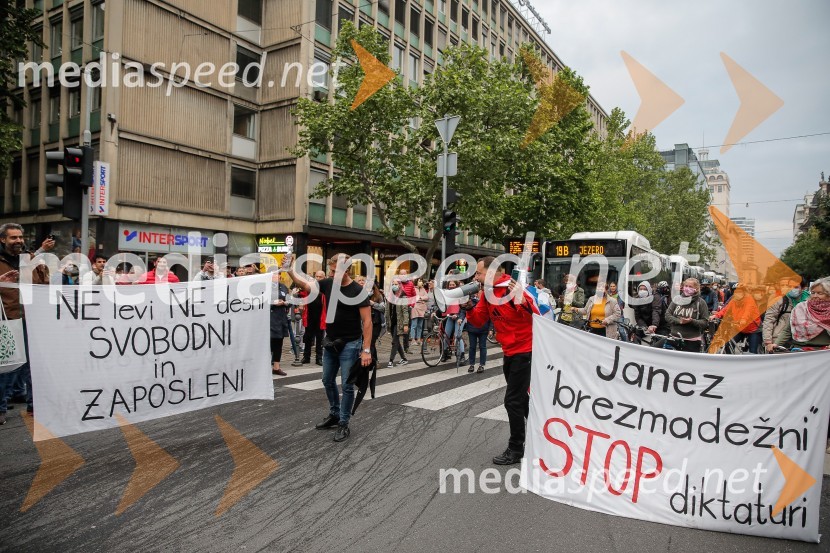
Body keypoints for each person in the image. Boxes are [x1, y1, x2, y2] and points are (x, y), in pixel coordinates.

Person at [462, 256, 539, 465]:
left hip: (526, 350)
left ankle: (516, 448)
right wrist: (469, 307)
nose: (476, 277)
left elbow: (536, 315)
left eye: (478, 273)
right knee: (521, 399)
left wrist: (521, 300)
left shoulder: (510, 288)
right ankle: (539, 435)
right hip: (510, 351)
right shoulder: (487, 293)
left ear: (491, 272)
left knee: (512, 401)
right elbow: (479, 320)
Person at [287, 253, 372, 443]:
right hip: (331, 341)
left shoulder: (357, 290)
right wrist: (291, 272)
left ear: (347, 270)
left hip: (351, 343)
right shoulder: (327, 284)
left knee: (348, 385)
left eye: (336, 271)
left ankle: (343, 422)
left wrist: (366, 350)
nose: (333, 274)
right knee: (327, 380)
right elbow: (306, 286)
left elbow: (367, 321)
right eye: (332, 271)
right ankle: (334, 413)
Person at [0, 223, 53, 423]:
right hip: (8, 320)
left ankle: (35, 406)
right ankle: (1, 408)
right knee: (10, 366)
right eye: (13, 238)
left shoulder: (29, 260)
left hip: (32, 320)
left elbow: (44, 285)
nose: (19, 241)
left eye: (20, 237)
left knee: (35, 365)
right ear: (3, 240)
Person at [777, 277, 830, 349]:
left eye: (820, 293)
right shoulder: (800, 308)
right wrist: (776, 344)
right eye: (813, 293)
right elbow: (787, 330)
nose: (815, 296)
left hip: (822, 352)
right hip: (799, 350)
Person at [710, 285, 762, 353]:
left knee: (753, 351)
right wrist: (716, 315)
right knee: (728, 344)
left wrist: (743, 320)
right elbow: (725, 310)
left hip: (753, 328)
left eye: (740, 292)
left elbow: (748, 311)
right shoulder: (733, 300)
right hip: (739, 327)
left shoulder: (749, 300)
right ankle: (731, 361)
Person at [664, 278, 710, 352]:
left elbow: (705, 322)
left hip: (692, 342)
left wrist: (691, 321)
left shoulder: (701, 303)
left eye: (690, 287)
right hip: (673, 339)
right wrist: (680, 321)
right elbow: (667, 315)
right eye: (686, 286)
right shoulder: (677, 299)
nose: (687, 288)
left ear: (696, 289)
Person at [763, 276, 807, 353]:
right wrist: (768, 341)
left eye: (795, 287)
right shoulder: (779, 300)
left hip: (801, 341)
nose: (791, 289)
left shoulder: (809, 302)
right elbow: (769, 320)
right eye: (789, 286)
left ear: (803, 288)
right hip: (779, 340)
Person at [301, 270, 327, 365]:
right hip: (309, 316)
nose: (318, 278)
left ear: (324, 278)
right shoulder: (309, 287)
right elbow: (301, 294)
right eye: (317, 276)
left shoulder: (325, 288)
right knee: (307, 337)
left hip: (321, 317)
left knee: (320, 339)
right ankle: (306, 357)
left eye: (321, 277)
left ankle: (319, 358)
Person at [269, 275, 291, 376]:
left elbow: (289, 301)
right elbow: (260, 302)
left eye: (278, 274)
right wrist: (273, 303)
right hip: (270, 319)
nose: (276, 277)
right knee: (268, 343)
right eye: (273, 274)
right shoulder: (265, 287)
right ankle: (265, 367)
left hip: (281, 318)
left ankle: (276, 367)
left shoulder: (283, 287)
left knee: (279, 342)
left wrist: (286, 303)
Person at [386, 278, 410, 367]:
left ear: (400, 285)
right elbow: (388, 310)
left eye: (396, 284)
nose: (394, 286)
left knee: (394, 341)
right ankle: (404, 359)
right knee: (396, 342)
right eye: (393, 284)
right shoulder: (390, 295)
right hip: (392, 322)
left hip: (399, 322)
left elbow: (405, 311)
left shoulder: (403, 295)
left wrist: (405, 324)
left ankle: (391, 361)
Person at [440, 280, 466, 363]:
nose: (451, 286)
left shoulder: (461, 294)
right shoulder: (447, 294)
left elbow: (463, 308)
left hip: (459, 318)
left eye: (453, 284)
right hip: (450, 317)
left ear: (456, 285)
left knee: (458, 336)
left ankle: (462, 355)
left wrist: (459, 316)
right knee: (446, 335)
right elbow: (443, 304)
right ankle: (445, 353)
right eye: (450, 284)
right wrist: (435, 312)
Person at [465, 294, 490, 373]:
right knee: (472, 347)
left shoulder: (485, 301)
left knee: (482, 346)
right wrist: (460, 318)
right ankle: (471, 364)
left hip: (483, 328)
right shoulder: (467, 303)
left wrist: (491, 328)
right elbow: (462, 312)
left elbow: (490, 314)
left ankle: (481, 365)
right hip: (472, 329)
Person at [368, 283, 386, 366]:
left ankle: (373, 362)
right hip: (367, 323)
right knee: (369, 343)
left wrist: (373, 304)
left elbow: (382, 308)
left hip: (376, 322)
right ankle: (375, 361)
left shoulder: (378, 296)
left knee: (371, 342)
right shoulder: (363, 295)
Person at [409, 279, 429, 346]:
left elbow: (427, 297)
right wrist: (421, 298)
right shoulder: (413, 288)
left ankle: (418, 339)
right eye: (419, 281)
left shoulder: (423, 289)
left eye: (421, 281)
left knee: (420, 325)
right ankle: (412, 339)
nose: (421, 282)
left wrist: (420, 297)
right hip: (415, 307)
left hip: (422, 308)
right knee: (414, 324)